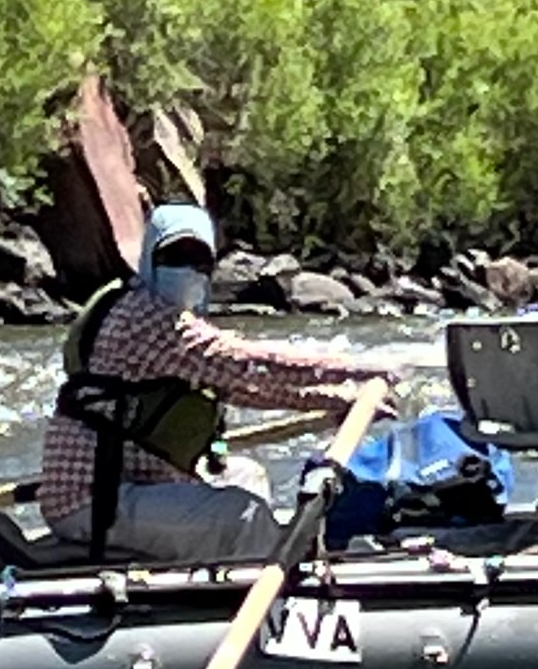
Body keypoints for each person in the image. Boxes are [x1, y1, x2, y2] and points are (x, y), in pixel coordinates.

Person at [41, 203, 376, 562]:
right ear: (149, 259)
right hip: (92, 500)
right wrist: (352, 371)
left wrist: (337, 399)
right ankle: (263, 582)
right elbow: (247, 363)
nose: (188, 270)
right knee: (242, 517)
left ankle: (238, 566)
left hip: (139, 483)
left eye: (200, 260)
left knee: (247, 475)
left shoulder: (169, 319)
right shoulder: (142, 315)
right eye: (174, 256)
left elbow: (243, 388)